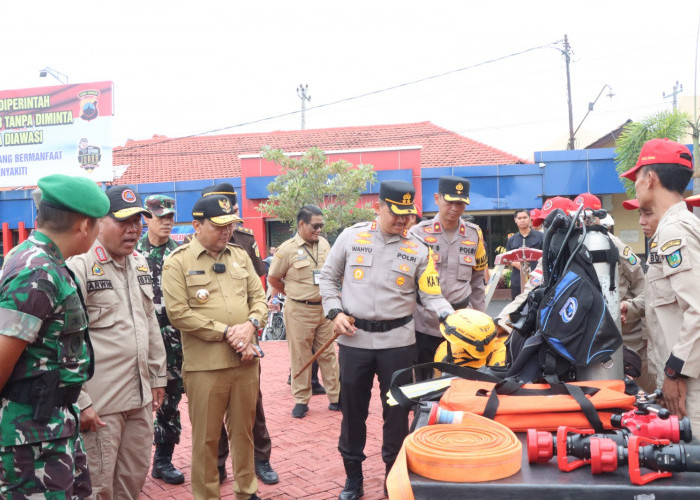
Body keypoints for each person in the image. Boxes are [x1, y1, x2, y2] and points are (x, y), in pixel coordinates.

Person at [319, 180, 453, 500]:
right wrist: (334, 312)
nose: (403, 221)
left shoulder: (419, 249)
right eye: (396, 214)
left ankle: (392, 477)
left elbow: (432, 295)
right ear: (378, 207)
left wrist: (452, 317)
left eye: (408, 215)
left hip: (398, 343)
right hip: (354, 342)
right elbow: (326, 277)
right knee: (353, 412)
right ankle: (353, 478)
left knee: (396, 412)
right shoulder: (352, 237)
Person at [0, 174, 108, 498]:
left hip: (51, 427)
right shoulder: (37, 272)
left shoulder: (45, 261)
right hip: (29, 442)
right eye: (99, 223)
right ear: (84, 225)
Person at [162, 194, 267, 500]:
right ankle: (208, 495)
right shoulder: (178, 261)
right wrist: (226, 333)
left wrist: (250, 326)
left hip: (245, 362)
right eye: (219, 226)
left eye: (230, 224)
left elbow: (258, 298)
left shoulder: (239, 255)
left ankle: (247, 491)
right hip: (206, 367)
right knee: (206, 439)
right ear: (196, 225)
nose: (226, 231)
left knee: (244, 434)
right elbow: (178, 313)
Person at [68, 185, 167, 499]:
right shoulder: (79, 265)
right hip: (101, 408)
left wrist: (158, 377)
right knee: (98, 489)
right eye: (123, 221)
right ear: (99, 221)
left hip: (139, 401)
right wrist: (81, 401)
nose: (134, 229)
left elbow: (149, 321)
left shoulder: (138, 263)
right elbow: (63, 339)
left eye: (138, 220)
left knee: (132, 483)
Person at [200, 183, 279, 485]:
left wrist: (250, 329)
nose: (223, 224)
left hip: (247, 331)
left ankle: (261, 458)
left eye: (227, 211)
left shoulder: (243, 239)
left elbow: (255, 288)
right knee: (213, 403)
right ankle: (219, 463)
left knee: (252, 403)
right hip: (211, 334)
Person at [619, 138, 700, 430]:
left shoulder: (675, 231)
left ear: (650, 178)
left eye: (637, 178)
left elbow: (697, 310)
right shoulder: (670, 229)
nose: (636, 186)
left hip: (689, 386)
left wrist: (674, 372)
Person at [410, 175, 488, 379]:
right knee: (424, 382)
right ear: (437, 198)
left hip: (463, 323)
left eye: (461, 203)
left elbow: (478, 280)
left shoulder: (474, 234)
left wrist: (481, 320)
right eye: (450, 201)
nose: (455, 208)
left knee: (460, 380)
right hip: (426, 323)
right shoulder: (418, 233)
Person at [574, 192, 653, 392]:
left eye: (590, 216)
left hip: (626, 331)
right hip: (591, 331)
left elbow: (642, 286)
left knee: (645, 381)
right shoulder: (573, 245)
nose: (586, 221)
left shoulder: (615, 245)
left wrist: (637, 319)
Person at [268, 205, 340, 418]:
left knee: (328, 353)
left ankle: (336, 397)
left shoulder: (325, 244)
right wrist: (292, 293)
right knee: (300, 355)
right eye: (315, 226)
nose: (319, 230)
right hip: (299, 310)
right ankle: (301, 400)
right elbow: (273, 279)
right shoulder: (287, 249)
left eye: (321, 226)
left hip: (324, 309)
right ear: (301, 224)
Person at [136, 194, 185, 485]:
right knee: (136, 402)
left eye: (170, 216)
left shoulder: (181, 254)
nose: (167, 221)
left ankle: (163, 460)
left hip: (175, 341)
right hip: (140, 339)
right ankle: (133, 462)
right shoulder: (133, 253)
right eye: (160, 216)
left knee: (170, 401)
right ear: (146, 218)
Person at [506, 208, 544, 299]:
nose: (522, 220)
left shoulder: (541, 237)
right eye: (519, 218)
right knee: (516, 308)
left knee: (537, 306)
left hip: (537, 278)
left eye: (525, 217)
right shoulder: (512, 239)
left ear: (530, 219)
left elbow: (546, 256)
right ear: (515, 220)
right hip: (517, 279)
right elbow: (508, 259)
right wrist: (518, 264)